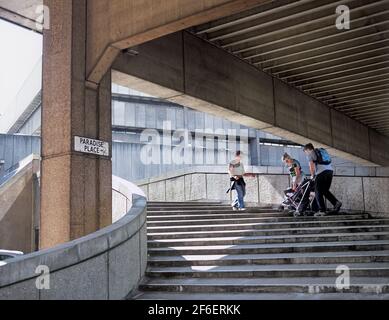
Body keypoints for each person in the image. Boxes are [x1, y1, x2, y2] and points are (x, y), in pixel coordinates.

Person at [303, 143, 342, 216]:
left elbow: (311, 166)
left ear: (308, 149)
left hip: (321, 173)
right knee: (324, 190)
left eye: (305, 152)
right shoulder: (321, 151)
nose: (306, 154)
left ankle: (322, 210)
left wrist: (312, 176)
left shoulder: (310, 154)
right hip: (330, 172)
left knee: (318, 192)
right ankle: (336, 203)